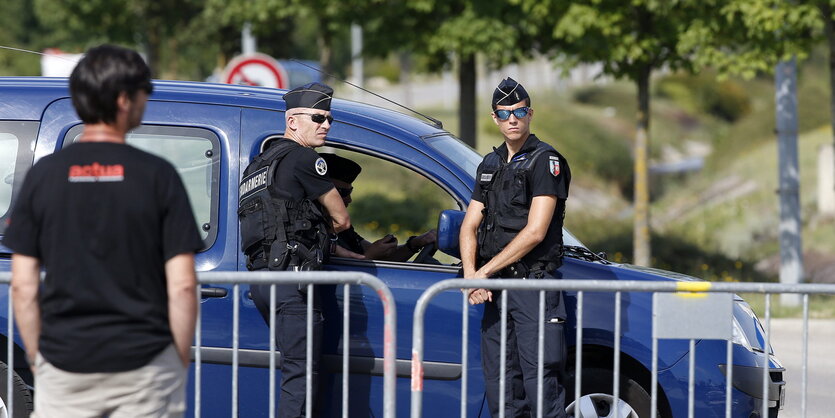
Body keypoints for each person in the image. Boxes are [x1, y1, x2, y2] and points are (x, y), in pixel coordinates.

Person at [4, 44, 202, 417]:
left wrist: (37, 357)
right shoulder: (157, 176)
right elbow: (183, 285)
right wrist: (175, 358)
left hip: (65, 363)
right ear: (125, 99)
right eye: (145, 93)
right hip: (143, 362)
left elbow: (24, 285)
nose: (147, 102)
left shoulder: (42, 177)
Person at [459, 77, 571, 418]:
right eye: (504, 113)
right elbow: (469, 225)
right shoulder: (489, 165)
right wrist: (470, 275)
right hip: (495, 290)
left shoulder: (544, 161)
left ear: (530, 114)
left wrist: (483, 272)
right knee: (502, 387)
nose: (512, 118)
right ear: (495, 118)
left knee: (542, 386)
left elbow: (536, 231)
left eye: (519, 111)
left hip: (531, 288)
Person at [240, 82, 350, 417]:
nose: (326, 125)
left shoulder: (259, 165)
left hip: (263, 280)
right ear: (293, 122)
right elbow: (341, 219)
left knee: (292, 368)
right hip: (292, 282)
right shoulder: (304, 157)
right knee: (300, 376)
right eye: (318, 118)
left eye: (329, 118)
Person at [319, 153, 437, 262]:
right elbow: (342, 275)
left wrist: (414, 244)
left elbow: (385, 258)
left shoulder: (341, 227)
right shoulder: (311, 231)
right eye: (343, 193)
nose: (349, 199)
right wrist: (369, 257)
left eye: (350, 191)